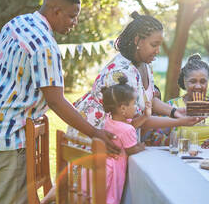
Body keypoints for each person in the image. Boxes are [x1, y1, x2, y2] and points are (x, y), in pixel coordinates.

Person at [0, 0, 119, 204]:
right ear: (55, 11)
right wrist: (95, 132)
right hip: (5, 139)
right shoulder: (45, 46)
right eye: (72, 15)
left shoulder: (17, 23)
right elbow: (56, 102)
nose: (75, 22)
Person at [66, 11, 201, 141]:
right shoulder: (120, 73)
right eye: (154, 45)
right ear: (138, 41)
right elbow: (135, 120)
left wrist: (175, 112)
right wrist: (179, 121)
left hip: (120, 139)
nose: (158, 51)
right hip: (95, 139)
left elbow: (149, 100)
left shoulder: (145, 65)